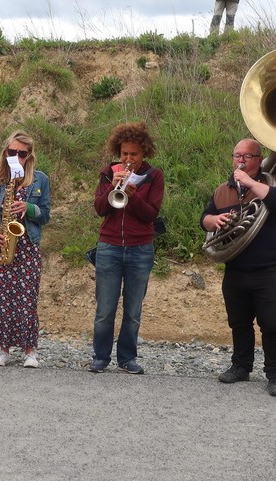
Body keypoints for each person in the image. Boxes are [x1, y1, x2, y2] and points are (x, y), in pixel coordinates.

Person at [200, 138, 276, 397]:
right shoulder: (223, 191)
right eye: (237, 155)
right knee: (239, 322)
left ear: (259, 160)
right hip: (236, 267)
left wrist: (252, 183)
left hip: (270, 268)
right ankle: (241, 366)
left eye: (248, 156)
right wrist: (215, 220)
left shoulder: (274, 185)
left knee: (272, 323)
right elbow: (204, 218)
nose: (241, 160)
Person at [89, 121, 165, 375]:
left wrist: (133, 196)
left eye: (133, 154)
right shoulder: (108, 172)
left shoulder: (154, 176)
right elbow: (100, 209)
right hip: (109, 246)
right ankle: (100, 357)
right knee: (105, 308)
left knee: (133, 310)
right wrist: (113, 186)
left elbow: (150, 215)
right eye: (124, 153)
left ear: (144, 152)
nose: (128, 159)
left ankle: (127, 358)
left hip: (140, 249)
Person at [0, 130, 51, 368]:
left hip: (27, 248)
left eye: (22, 153)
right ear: (5, 152)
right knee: (1, 300)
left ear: (29, 156)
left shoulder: (40, 180)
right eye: (12, 152)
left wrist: (28, 208)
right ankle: (3, 349)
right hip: (2, 248)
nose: (17, 156)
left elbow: (45, 215)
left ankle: (30, 352)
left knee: (27, 300)